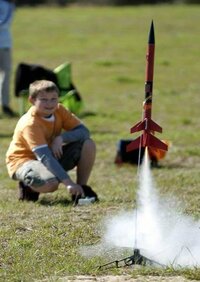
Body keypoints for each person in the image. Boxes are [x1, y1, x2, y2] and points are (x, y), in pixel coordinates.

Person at [5, 80, 98, 204]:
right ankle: (29, 187)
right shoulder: (30, 123)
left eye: (53, 98)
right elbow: (45, 157)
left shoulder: (59, 110)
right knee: (51, 184)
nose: (50, 103)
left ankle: (81, 191)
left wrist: (61, 138)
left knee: (88, 144)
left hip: (47, 155)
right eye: (43, 99)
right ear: (32, 100)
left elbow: (84, 132)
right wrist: (68, 183)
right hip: (24, 161)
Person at [0, 0, 16, 117]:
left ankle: (5, 105)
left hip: (4, 44)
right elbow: (4, 22)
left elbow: (4, 22)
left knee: (5, 75)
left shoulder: (8, 5)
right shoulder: (8, 5)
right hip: (3, 45)